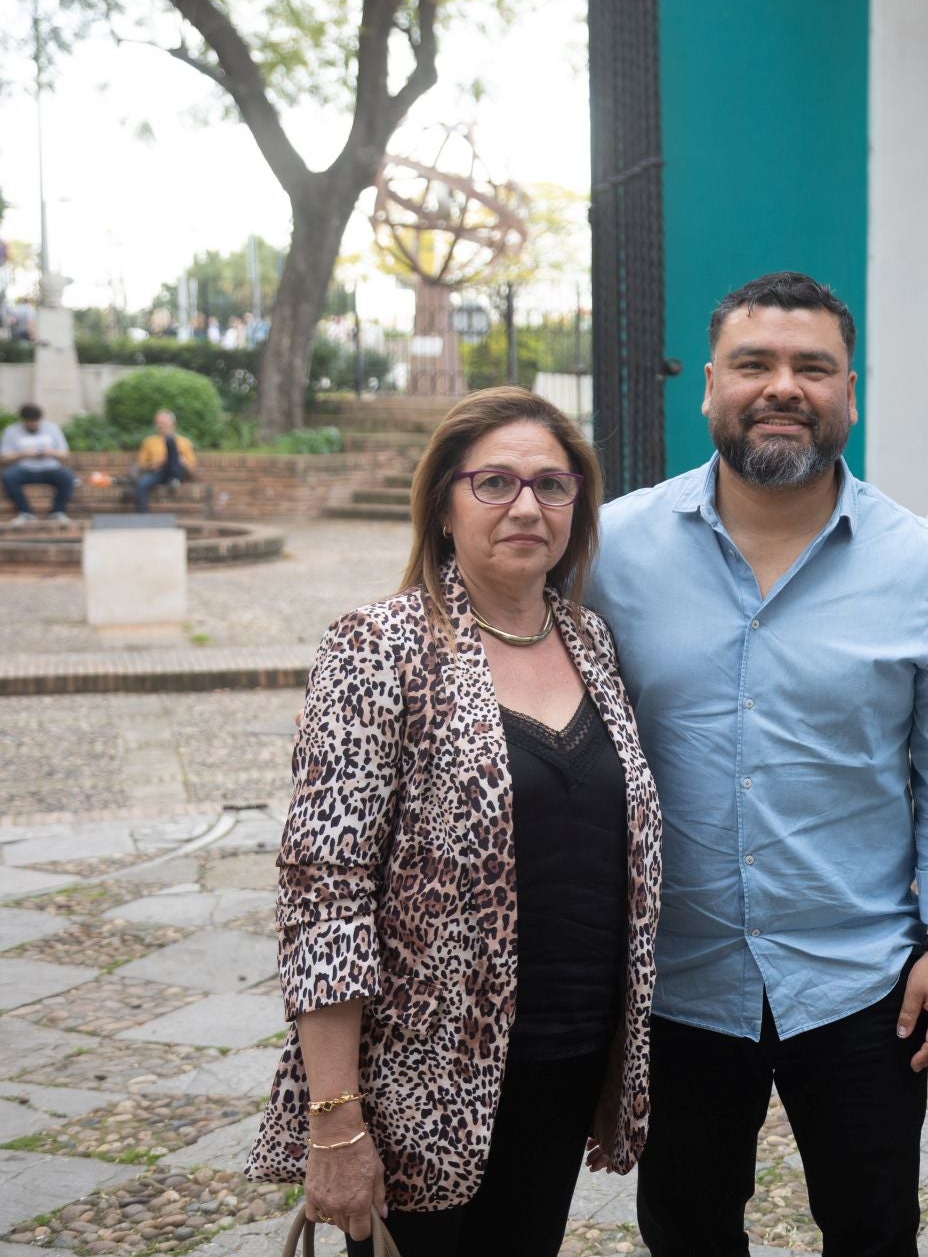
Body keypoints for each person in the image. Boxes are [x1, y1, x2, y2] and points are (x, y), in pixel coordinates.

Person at [585, 271, 928, 1256]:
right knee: (686, 1232)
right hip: (676, 980)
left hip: (862, 980)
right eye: (753, 364)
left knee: (874, 1230)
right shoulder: (610, 552)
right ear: (709, 388)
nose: (782, 387)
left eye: (812, 367)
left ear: (850, 391)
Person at [245, 387, 664, 1257]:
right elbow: (323, 896)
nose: (527, 507)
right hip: (419, 1087)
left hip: (565, 1061)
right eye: (495, 483)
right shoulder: (378, 647)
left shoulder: (591, 642)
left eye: (552, 485)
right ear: (443, 507)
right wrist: (335, 1119)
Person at [2, 403, 76, 524]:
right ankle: (26, 513)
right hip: (24, 468)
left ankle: (57, 512)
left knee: (67, 476)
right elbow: (4, 456)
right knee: (9, 476)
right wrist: (23, 454)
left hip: (50, 468)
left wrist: (51, 452)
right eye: (30, 422)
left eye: (36, 422)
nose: (33, 425)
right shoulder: (11, 431)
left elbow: (65, 453)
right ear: (23, 420)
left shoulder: (52, 428)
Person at [133, 410, 199, 513]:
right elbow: (142, 466)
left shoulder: (184, 442)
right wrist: (159, 462)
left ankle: (173, 478)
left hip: (177, 471)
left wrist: (183, 461)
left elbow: (193, 471)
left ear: (173, 424)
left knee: (171, 444)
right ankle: (143, 517)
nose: (160, 425)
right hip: (158, 472)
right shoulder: (149, 441)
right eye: (158, 423)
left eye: (163, 423)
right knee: (141, 484)